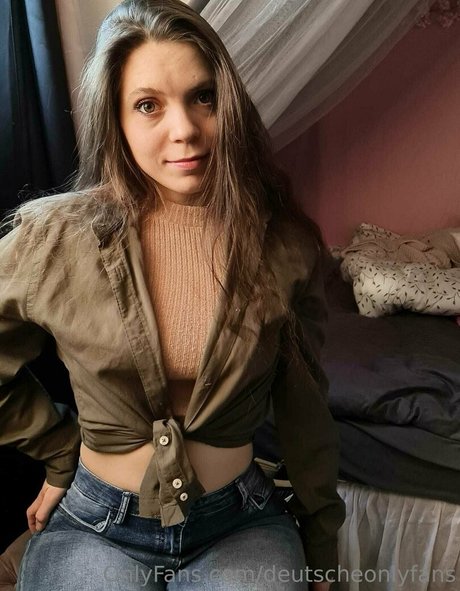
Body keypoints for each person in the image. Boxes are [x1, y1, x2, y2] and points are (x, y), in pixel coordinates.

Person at [0, 0, 345, 589]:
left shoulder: (285, 245)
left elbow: (306, 411)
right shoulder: (52, 239)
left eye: (203, 97)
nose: (184, 128)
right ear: (114, 117)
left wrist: (321, 541)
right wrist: (58, 450)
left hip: (240, 523)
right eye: (148, 105)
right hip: (96, 524)